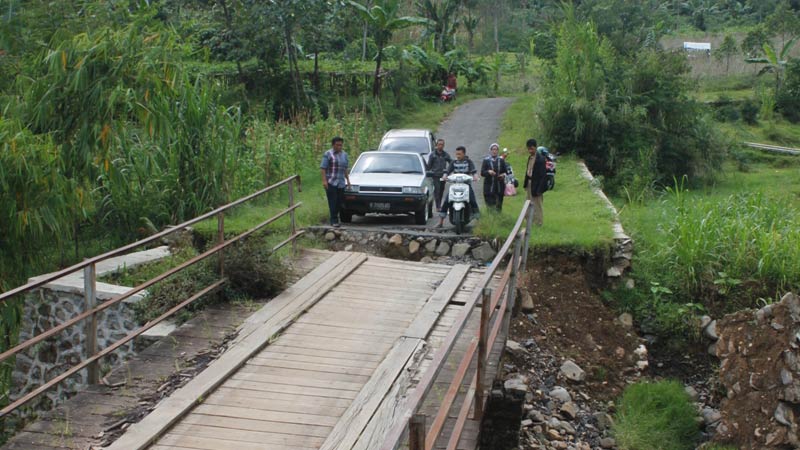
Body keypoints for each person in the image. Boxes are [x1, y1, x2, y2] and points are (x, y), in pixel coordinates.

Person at [436, 146, 479, 227]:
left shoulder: (469, 162)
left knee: (473, 201)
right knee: (446, 201)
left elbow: (474, 171)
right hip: (455, 185)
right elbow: (448, 171)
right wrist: (445, 176)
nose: (458, 156)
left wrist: (475, 176)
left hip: (466, 185)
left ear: (464, 154)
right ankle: (441, 222)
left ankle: (479, 222)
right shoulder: (453, 162)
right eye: (456, 154)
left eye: (459, 154)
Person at [320, 136, 350, 227]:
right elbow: (323, 168)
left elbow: (345, 169)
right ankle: (333, 220)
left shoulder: (344, 155)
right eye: (337, 145)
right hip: (331, 181)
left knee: (339, 201)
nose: (339, 147)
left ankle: (336, 218)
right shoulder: (328, 154)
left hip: (341, 182)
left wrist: (348, 180)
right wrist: (324, 181)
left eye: (341, 145)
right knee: (332, 201)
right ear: (333, 145)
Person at [523, 138, 547, 226]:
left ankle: (538, 222)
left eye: (531, 149)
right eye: (528, 149)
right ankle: (530, 220)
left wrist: (539, 189)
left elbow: (543, 176)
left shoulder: (540, 159)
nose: (530, 151)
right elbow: (528, 170)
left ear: (535, 148)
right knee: (528, 202)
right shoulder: (530, 158)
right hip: (530, 183)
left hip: (537, 184)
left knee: (537, 204)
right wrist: (526, 184)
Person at [481, 143, 508, 211]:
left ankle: (498, 219)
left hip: (499, 186)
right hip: (489, 186)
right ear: (490, 150)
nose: (494, 151)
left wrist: (503, 175)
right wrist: (488, 172)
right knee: (490, 206)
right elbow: (482, 173)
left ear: (498, 151)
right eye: (493, 149)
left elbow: (506, 172)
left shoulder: (501, 160)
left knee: (498, 206)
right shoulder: (486, 160)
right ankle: (490, 219)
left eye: (496, 149)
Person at [426, 138, 452, 210]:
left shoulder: (445, 155)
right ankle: (438, 206)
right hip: (435, 176)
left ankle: (439, 204)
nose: (441, 146)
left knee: (441, 190)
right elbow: (429, 166)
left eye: (442, 145)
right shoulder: (433, 155)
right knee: (436, 191)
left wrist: (447, 171)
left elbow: (451, 163)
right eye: (439, 144)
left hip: (443, 176)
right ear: (437, 145)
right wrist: (428, 174)